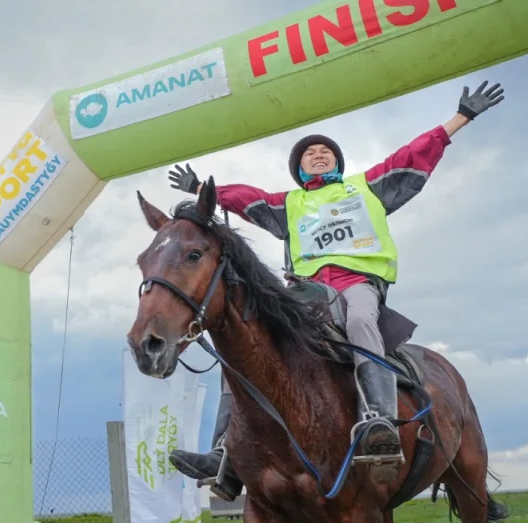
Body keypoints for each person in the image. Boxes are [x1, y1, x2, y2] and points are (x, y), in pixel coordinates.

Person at [168, 81, 506, 500]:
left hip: (358, 286)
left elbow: (411, 156)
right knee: (250, 342)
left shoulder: (366, 188)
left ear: (336, 161)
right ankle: (222, 457)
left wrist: (460, 119)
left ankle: (379, 419)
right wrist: (202, 191)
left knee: (362, 319)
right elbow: (244, 197)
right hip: (307, 293)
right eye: (309, 153)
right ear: (300, 168)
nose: (318, 153)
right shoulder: (287, 205)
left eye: (325, 150)